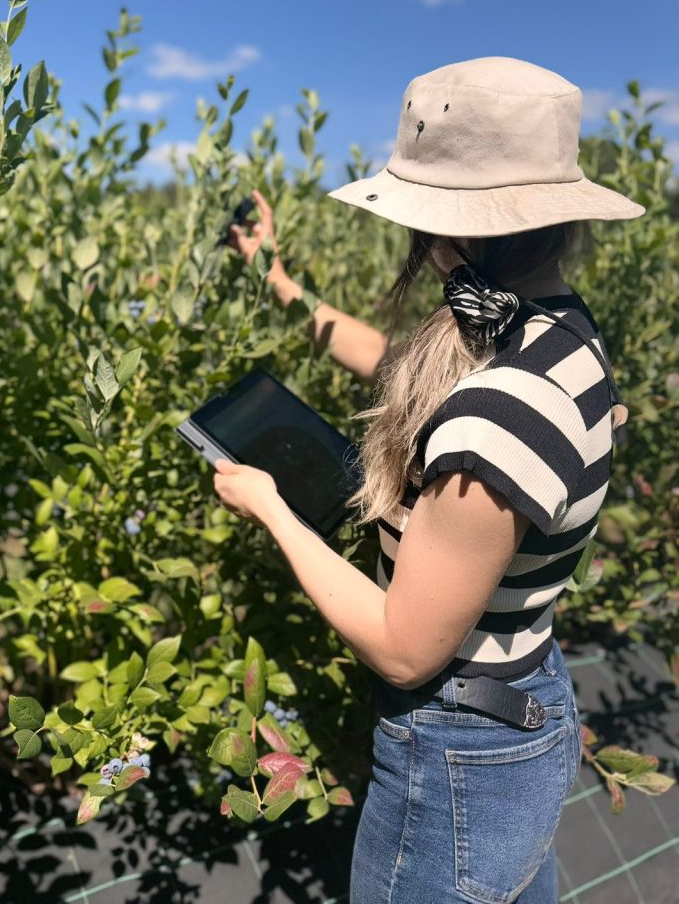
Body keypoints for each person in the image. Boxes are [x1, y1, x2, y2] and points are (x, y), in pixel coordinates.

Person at [213, 56, 644, 903]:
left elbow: (404, 648)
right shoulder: (550, 327)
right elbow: (403, 368)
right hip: (519, 706)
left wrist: (272, 509)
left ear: (445, 230)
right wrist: (280, 284)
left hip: (459, 756)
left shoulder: (501, 415)